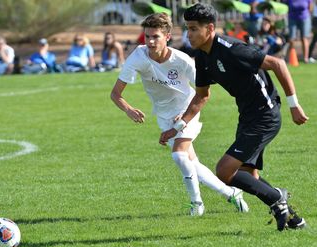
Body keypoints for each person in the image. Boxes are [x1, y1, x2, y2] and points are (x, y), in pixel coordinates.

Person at [160, 3, 308, 230]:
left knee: (225, 171)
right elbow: (201, 96)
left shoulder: (231, 48)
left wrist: (294, 105)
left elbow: (277, 63)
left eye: (193, 29)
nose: (188, 34)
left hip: (265, 115)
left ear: (209, 28)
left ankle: (278, 197)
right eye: (186, 29)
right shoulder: (201, 56)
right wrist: (178, 126)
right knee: (249, 176)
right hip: (247, 116)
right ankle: (294, 220)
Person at [111, 13, 249, 216]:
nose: (150, 41)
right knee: (192, 164)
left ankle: (197, 204)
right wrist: (128, 109)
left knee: (178, 155)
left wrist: (185, 116)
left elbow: (204, 93)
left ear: (167, 37)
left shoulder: (182, 60)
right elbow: (115, 94)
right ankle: (231, 193)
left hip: (187, 112)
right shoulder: (138, 57)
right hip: (164, 116)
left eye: (155, 36)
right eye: (147, 36)